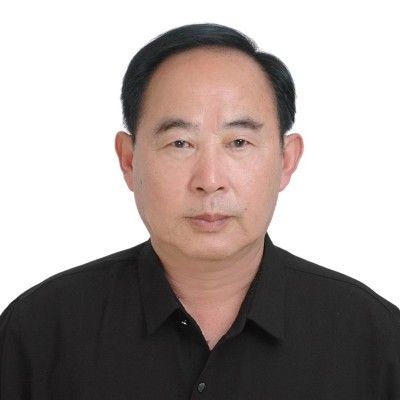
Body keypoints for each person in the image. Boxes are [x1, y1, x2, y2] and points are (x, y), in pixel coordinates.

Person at [0, 23, 399, 399]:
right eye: (180, 143)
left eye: (239, 142)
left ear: (286, 160)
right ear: (129, 160)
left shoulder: (376, 338)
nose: (209, 180)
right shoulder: (38, 331)